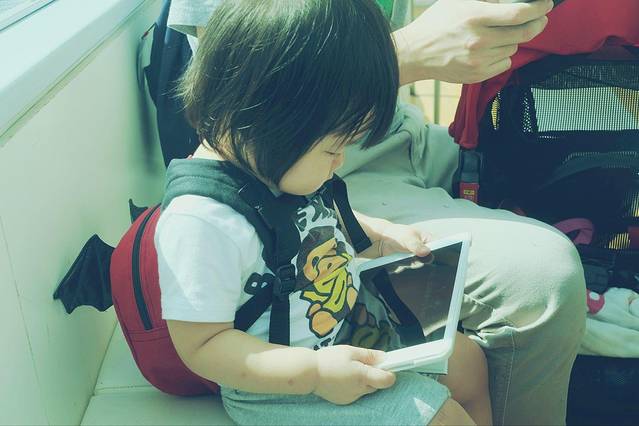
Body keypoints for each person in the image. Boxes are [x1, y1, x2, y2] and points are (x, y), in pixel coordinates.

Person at [162, 0, 587, 425]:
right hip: (283, 385)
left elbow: (317, 220)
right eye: (333, 149)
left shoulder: (274, 162)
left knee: (466, 362)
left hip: (339, 333)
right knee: (440, 417)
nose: (340, 162)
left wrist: (378, 236)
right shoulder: (202, 220)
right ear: (276, 120)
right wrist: (314, 373)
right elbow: (202, 345)